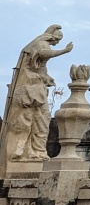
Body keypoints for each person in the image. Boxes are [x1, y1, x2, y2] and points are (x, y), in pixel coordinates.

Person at [5, 25, 73, 163]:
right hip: (31, 92)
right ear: (53, 37)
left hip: (33, 89)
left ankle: (34, 152)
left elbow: (39, 67)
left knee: (40, 121)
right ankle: (32, 152)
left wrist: (46, 77)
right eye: (58, 40)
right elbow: (44, 53)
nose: (57, 43)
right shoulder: (42, 44)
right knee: (39, 121)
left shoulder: (36, 46)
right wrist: (64, 51)